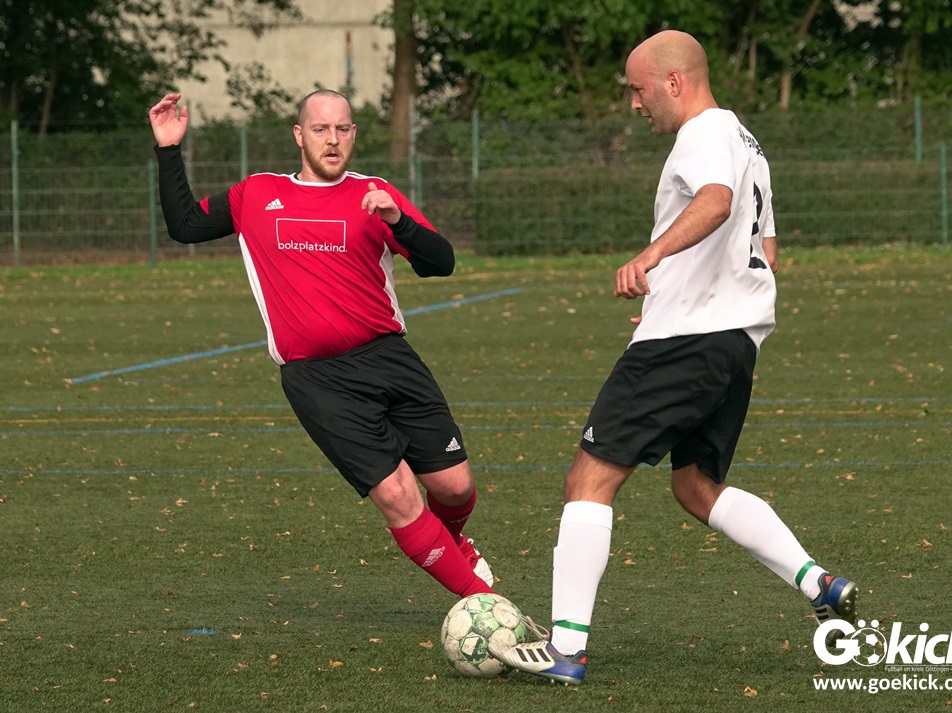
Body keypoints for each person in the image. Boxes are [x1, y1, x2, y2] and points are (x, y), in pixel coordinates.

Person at [489, 30, 857, 685]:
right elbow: (767, 252)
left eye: (638, 89)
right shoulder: (746, 139)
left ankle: (566, 649)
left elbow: (715, 202)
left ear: (674, 82)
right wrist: (679, 295)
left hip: (685, 341)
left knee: (588, 481)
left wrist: (652, 259)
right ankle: (817, 582)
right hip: (732, 344)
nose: (634, 104)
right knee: (695, 487)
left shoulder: (703, 133)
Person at [148, 90, 495, 600]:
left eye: (342, 129)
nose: (332, 139)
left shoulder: (375, 193)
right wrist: (168, 149)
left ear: (353, 134)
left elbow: (441, 262)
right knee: (399, 496)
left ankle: (454, 542)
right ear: (299, 135)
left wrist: (397, 221)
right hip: (317, 379)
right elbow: (184, 226)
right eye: (320, 129)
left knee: (455, 487)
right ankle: (487, 607)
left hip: (389, 357)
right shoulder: (256, 194)